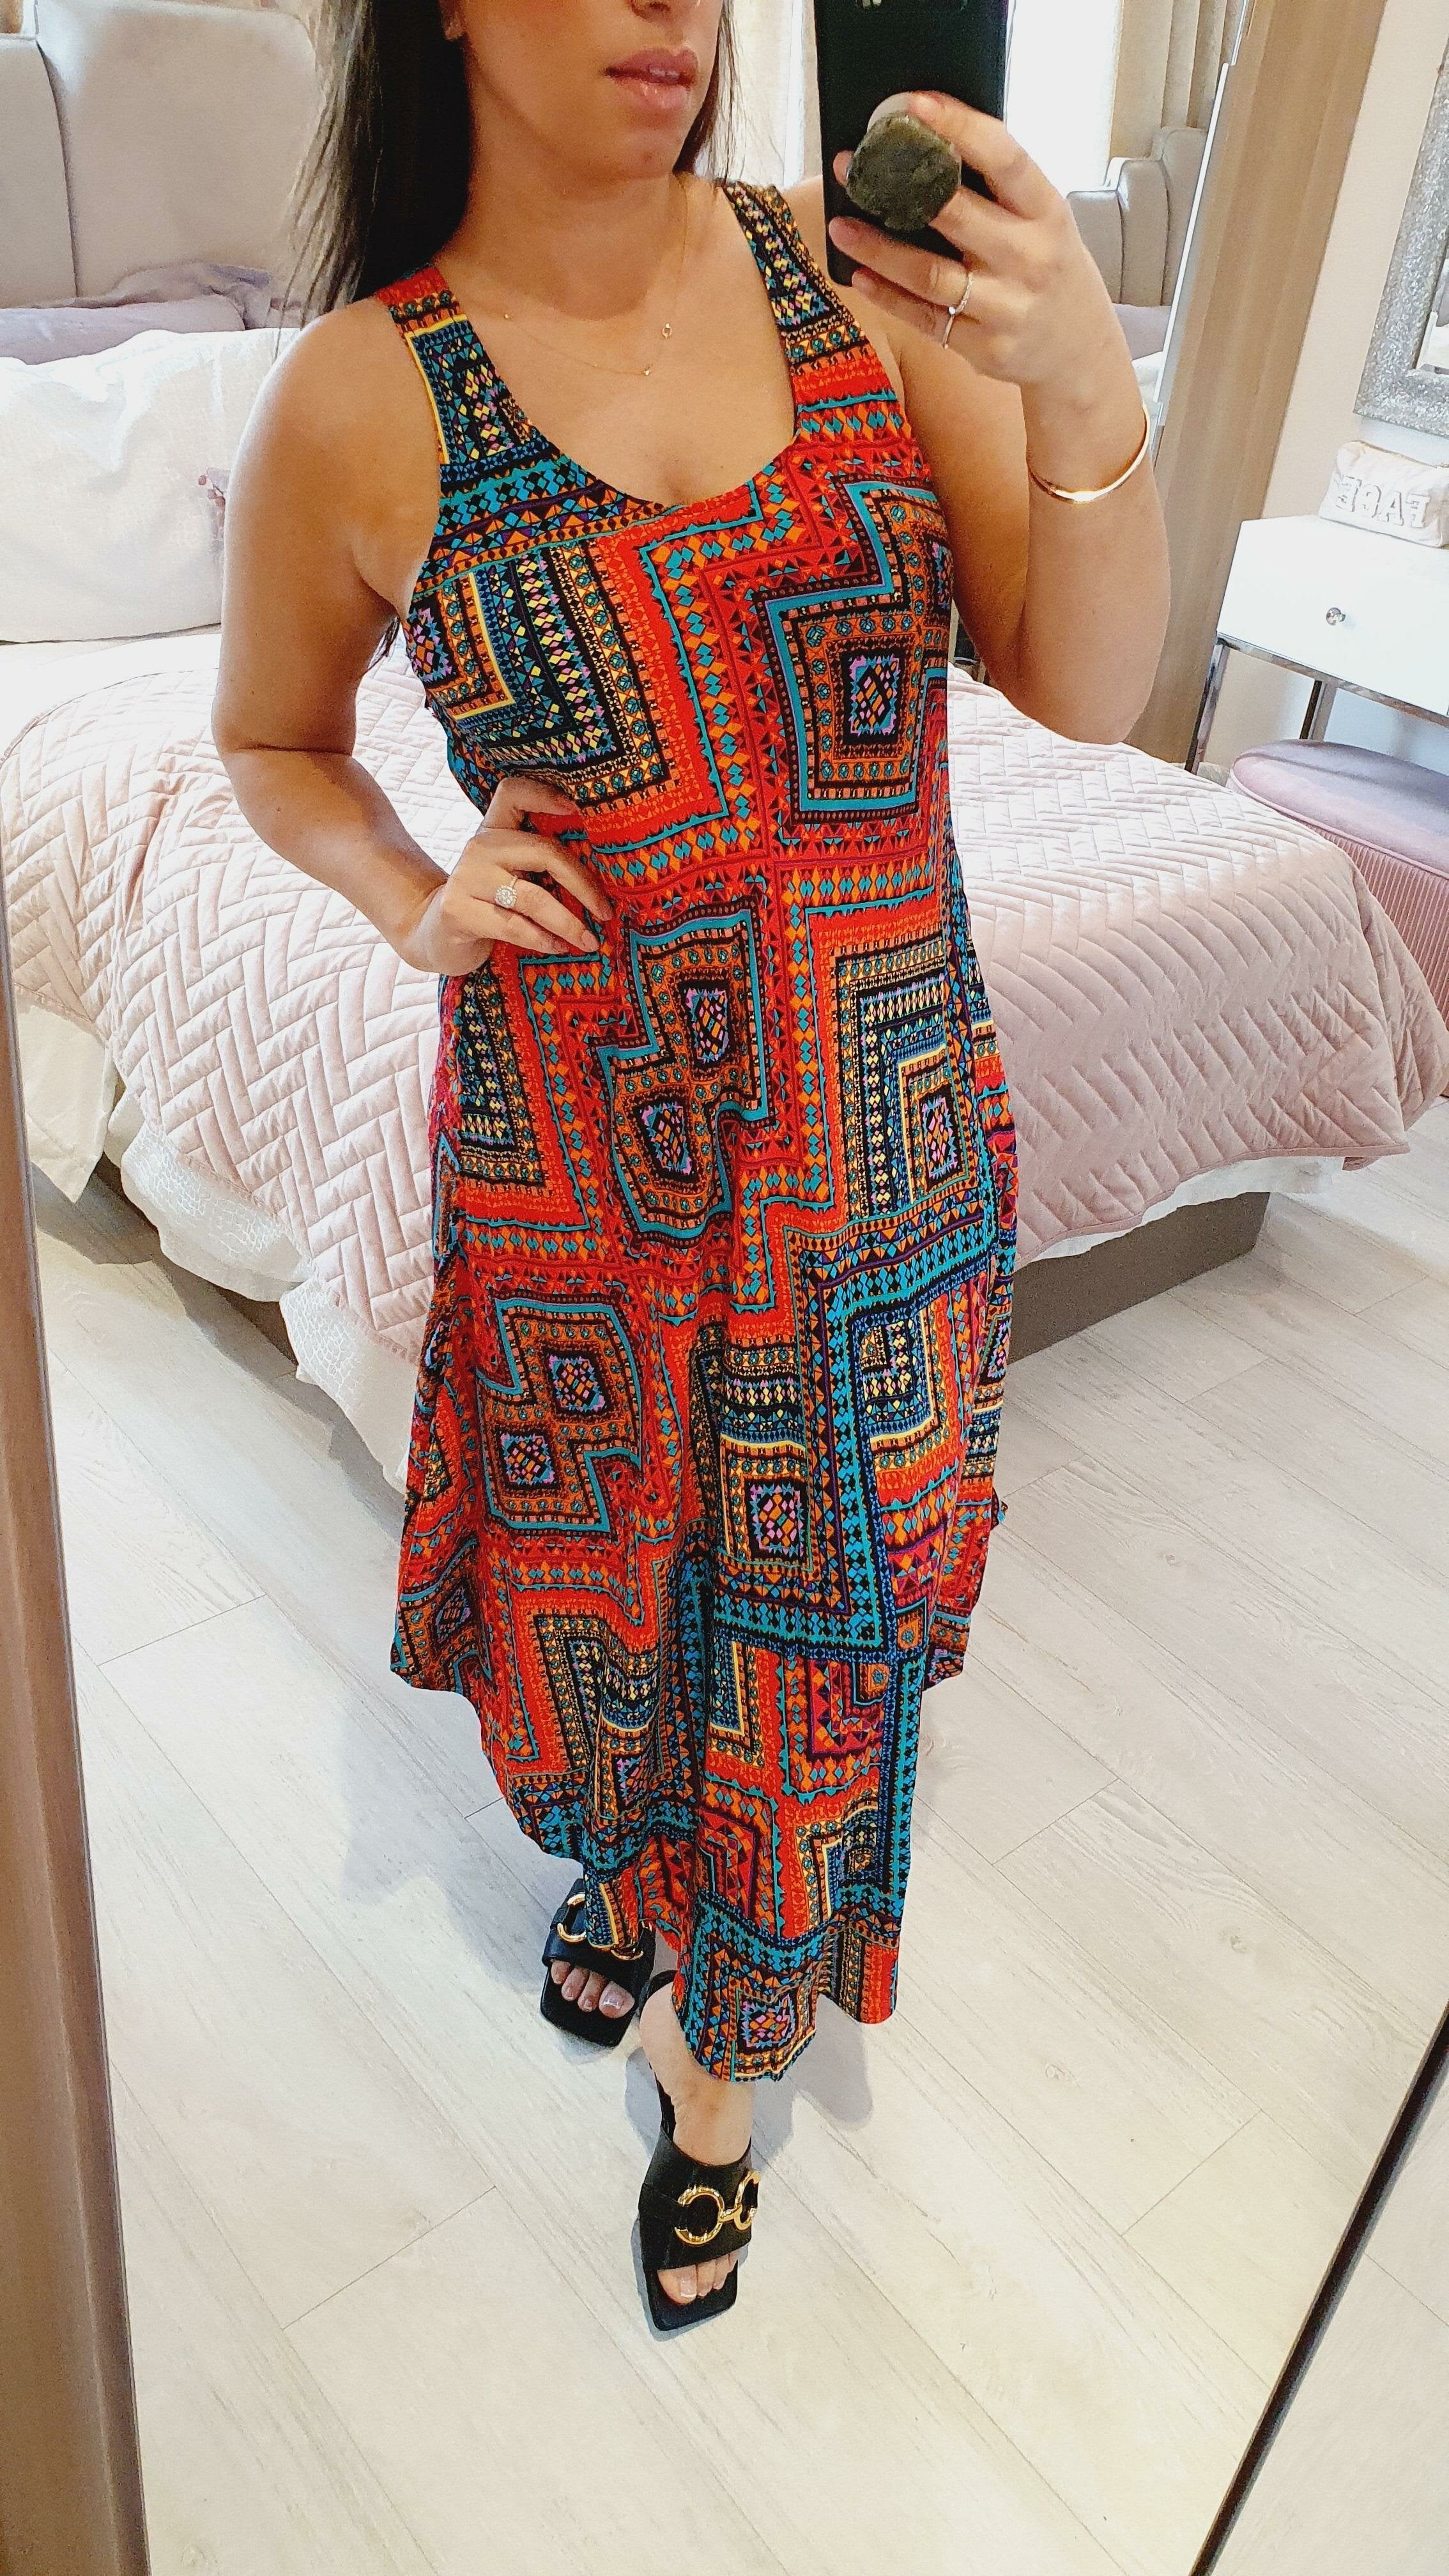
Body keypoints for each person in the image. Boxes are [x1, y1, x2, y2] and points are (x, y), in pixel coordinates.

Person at [213, 0, 1169, 2331]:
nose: (677, 11)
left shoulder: (855, 290)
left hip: (875, 1147)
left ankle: (722, 2070)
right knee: (620, 1590)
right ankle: (638, 1888)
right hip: (583, 1165)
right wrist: (411, 893)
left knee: (821, 1633)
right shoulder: (359, 393)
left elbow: (1085, 685)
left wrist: (1079, 381)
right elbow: (272, 740)